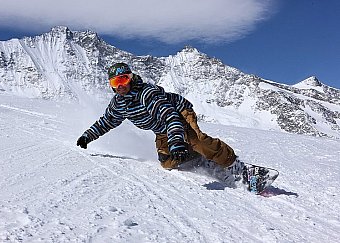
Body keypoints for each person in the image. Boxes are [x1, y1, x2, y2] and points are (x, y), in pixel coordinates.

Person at [77, 63, 245, 185]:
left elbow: (170, 117)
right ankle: (200, 157)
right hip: (162, 128)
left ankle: (234, 165)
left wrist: (177, 142)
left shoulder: (146, 94)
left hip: (179, 114)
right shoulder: (118, 104)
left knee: (198, 141)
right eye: (115, 82)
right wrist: (87, 136)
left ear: (130, 78)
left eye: (123, 79)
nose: (120, 86)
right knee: (167, 161)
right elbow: (107, 121)